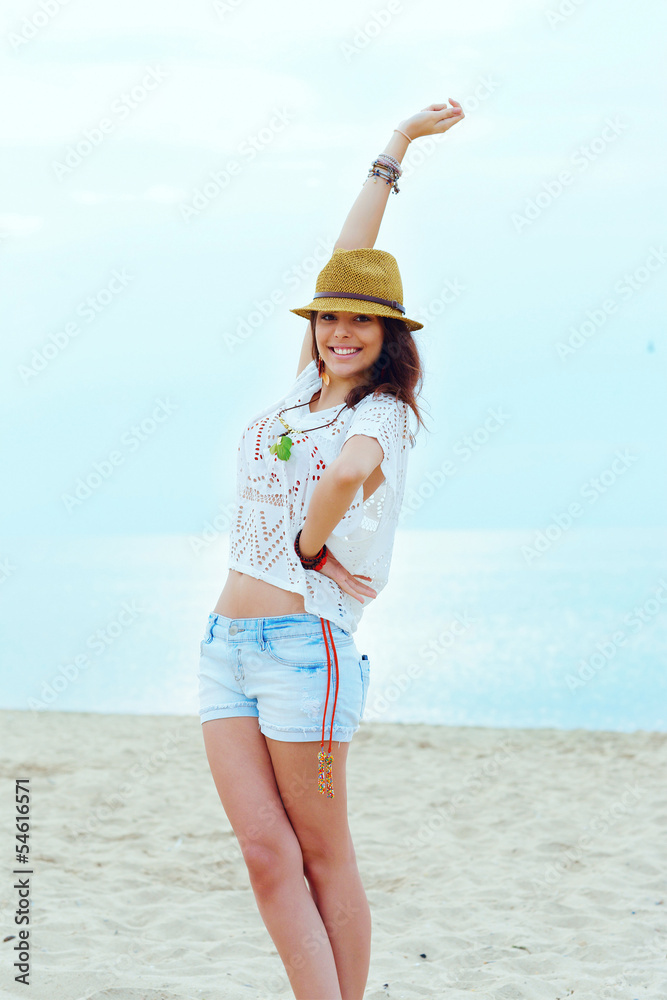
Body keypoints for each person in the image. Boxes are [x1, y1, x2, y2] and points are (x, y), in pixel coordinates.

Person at [197, 99, 465, 1000]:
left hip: (304, 651)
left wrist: (310, 550)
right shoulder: (300, 392)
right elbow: (349, 256)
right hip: (224, 649)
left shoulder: (380, 413)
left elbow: (350, 472)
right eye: (328, 318)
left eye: (361, 322)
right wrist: (397, 145)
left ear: (389, 338)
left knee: (320, 851)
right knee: (263, 853)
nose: (340, 331)